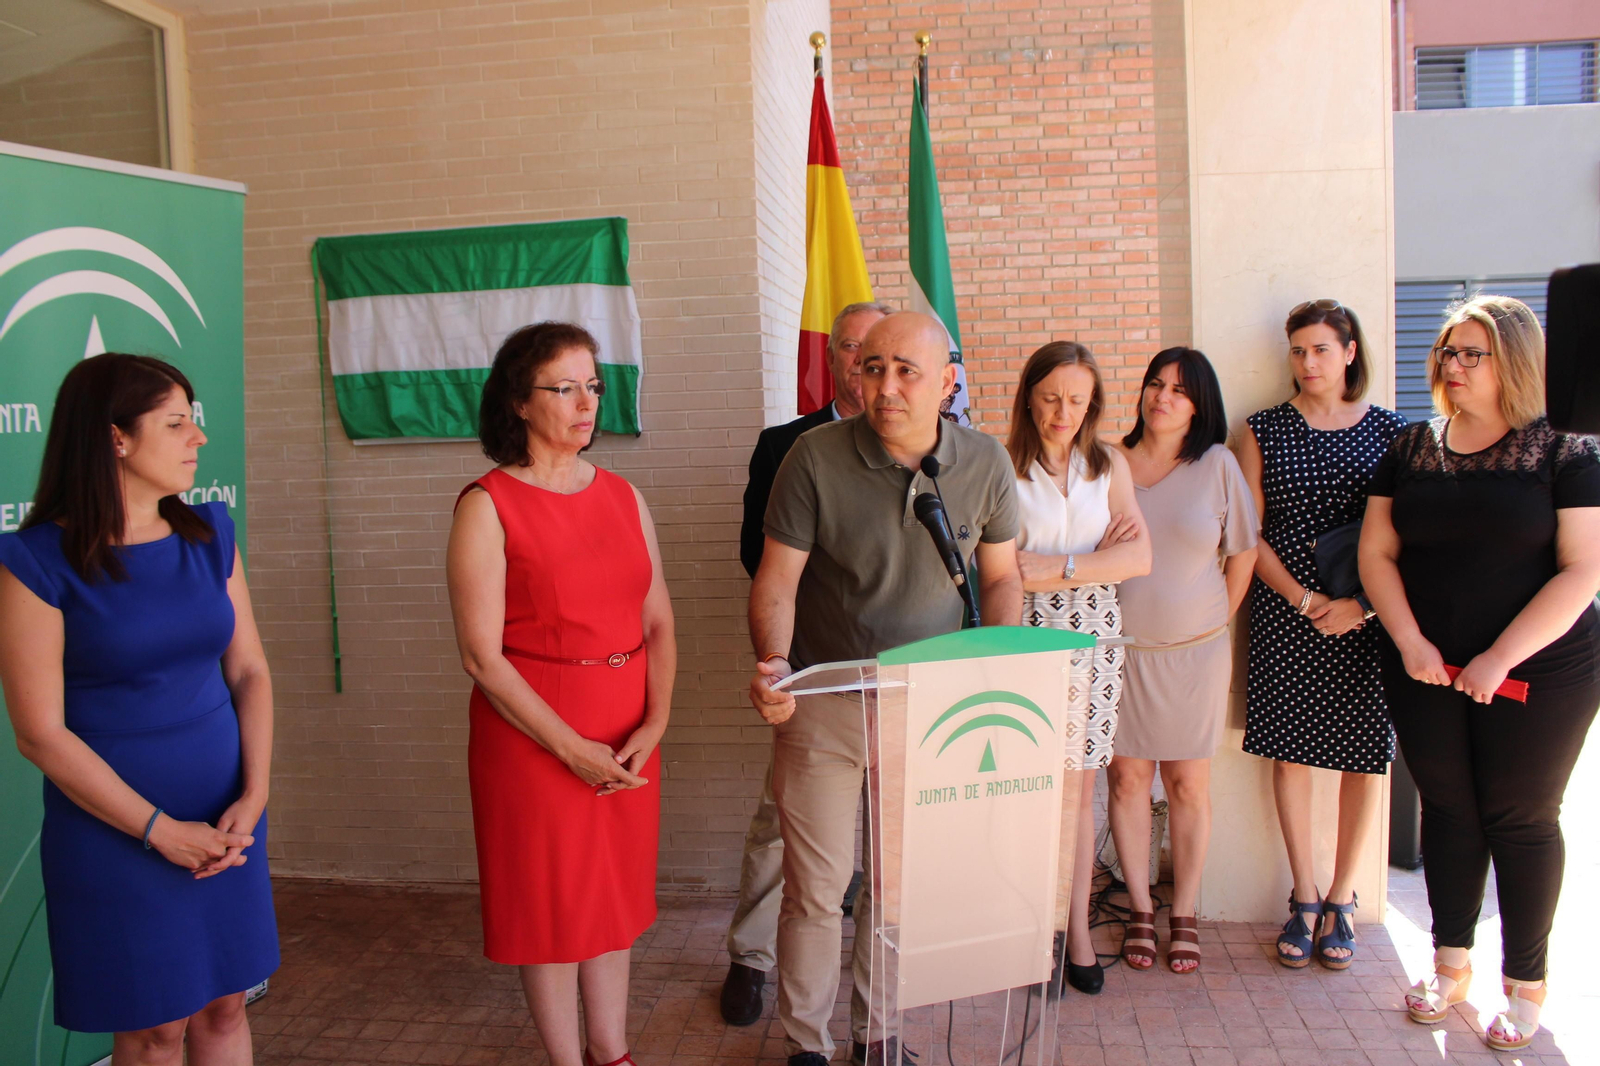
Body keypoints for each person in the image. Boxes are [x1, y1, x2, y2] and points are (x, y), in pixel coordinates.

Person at [748, 311, 1023, 1066]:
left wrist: (994, 664)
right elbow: (776, 582)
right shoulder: (811, 458)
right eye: (873, 368)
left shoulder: (985, 464)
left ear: (947, 383)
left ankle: (879, 1038)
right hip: (824, 705)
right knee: (816, 889)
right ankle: (807, 1044)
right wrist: (774, 660)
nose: (886, 386)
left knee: (896, 894)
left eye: (906, 370)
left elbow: (1002, 580)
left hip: (929, 714)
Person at [0, 354, 278, 1064]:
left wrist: (256, 791)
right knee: (154, 1029)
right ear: (114, 438)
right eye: (177, 423)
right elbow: (39, 733)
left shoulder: (210, 533)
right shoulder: (36, 561)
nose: (198, 439)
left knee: (225, 1006)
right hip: (114, 832)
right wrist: (158, 831)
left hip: (229, 819)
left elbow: (248, 668)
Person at [1358, 296, 1600, 1051]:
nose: (1450, 367)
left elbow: (1582, 569)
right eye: (1446, 352)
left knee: (1520, 819)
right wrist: (1409, 642)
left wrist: (1500, 657)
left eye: (1471, 354)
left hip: (1543, 670)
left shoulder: (1565, 450)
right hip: (1425, 666)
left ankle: (1525, 986)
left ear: (1514, 363)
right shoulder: (1410, 446)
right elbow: (1376, 554)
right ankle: (1449, 965)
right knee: (1450, 813)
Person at [447, 322, 676, 1066]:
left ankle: (612, 1051)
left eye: (594, 385)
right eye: (565, 387)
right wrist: (570, 747)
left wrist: (658, 719)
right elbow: (482, 657)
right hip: (535, 740)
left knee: (610, 904)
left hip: (628, 729)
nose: (587, 402)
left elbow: (659, 621)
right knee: (550, 912)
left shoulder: (623, 495)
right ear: (518, 400)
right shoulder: (487, 504)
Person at [723, 300, 893, 1026]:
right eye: (851, 349)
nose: (862, 365)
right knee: (776, 824)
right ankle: (749, 958)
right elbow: (755, 555)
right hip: (809, 671)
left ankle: (869, 1011)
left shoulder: (928, 443)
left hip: (892, 682)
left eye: (875, 350)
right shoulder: (784, 445)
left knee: (884, 852)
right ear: (832, 360)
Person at [1239, 300, 1406, 970]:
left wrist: (1361, 606)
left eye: (1320, 349)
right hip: (1288, 608)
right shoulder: (1261, 430)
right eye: (1298, 351)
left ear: (1349, 353)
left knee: (1363, 755)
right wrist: (1305, 600)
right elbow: (1246, 531)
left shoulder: (1394, 434)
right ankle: (1303, 893)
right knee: (1293, 751)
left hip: (1367, 614)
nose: (1308, 363)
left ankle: (1342, 896)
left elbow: (1407, 533)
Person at [1108, 348, 1258, 975]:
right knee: (1126, 782)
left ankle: (1185, 912)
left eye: (1179, 390)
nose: (1162, 397)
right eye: (1155, 384)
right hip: (1119, 656)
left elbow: (1243, 553)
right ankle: (1141, 907)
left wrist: (1211, 621)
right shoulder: (1107, 462)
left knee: (1189, 785)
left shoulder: (1218, 464)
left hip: (1197, 656)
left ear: (1200, 404)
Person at [1007, 341, 1151, 994]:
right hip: (1022, 637)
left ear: (1092, 403)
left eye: (1077, 399)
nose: (1063, 411)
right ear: (1029, 397)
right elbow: (1004, 570)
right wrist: (1094, 561)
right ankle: (1032, 934)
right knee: (1028, 792)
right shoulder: (1002, 465)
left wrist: (1056, 568)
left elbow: (1139, 559)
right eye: (1050, 398)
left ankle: (1077, 932)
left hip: (1093, 641)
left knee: (1079, 792)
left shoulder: (1109, 465)